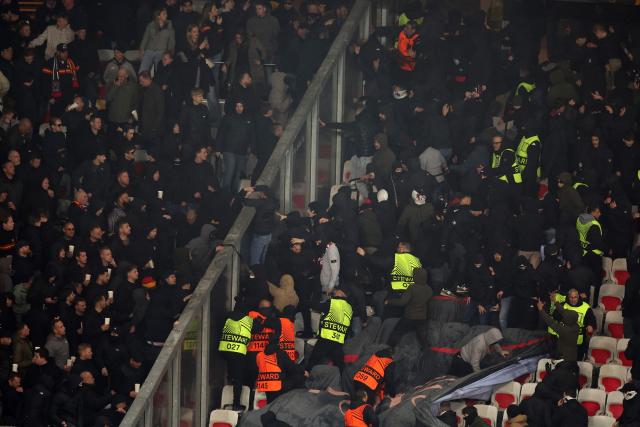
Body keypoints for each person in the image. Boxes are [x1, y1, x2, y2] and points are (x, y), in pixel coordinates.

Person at [306, 288, 352, 373]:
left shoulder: (332, 303)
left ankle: (306, 378)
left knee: (312, 362)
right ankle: (342, 382)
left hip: (326, 338)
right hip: (338, 339)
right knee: (340, 366)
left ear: (341, 293)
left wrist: (306, 300)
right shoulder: (349, 307)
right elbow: (349, 326)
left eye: (338, 290)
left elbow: (316, 306)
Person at [385, 267, 432, 347]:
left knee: (396, 334)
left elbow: (402, 302)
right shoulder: (429, 289)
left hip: (410, 316)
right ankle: (428, 355)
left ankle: (388, 350)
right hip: (422, 318)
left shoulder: (412, 288)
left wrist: (389, 301)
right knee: (424, 341)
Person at [219, 305, 253, 411]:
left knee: (232, 368)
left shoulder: (227, 317)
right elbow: (257, 328)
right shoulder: (248, 320)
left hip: (225, 350)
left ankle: (230, 377)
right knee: (239, 379)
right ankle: (236, 404)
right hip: (238, 352)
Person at [547, 289, 596, 360]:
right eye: (571, 297)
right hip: (564, 339)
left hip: (578, 341)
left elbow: (591, 320)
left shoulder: (586, 307)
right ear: (568, 297)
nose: (573, 300)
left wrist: (590, 326)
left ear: (578, 297)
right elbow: (555, 316)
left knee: (577, 360)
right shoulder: (564, 305)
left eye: (575, 297)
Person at [255, 334, 305, 404]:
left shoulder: (259, 355)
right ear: (278, 342)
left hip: (264, 387)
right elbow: (292, 368)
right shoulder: (281, 353)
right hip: (277, 387)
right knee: (299, 377)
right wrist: (303, 371)